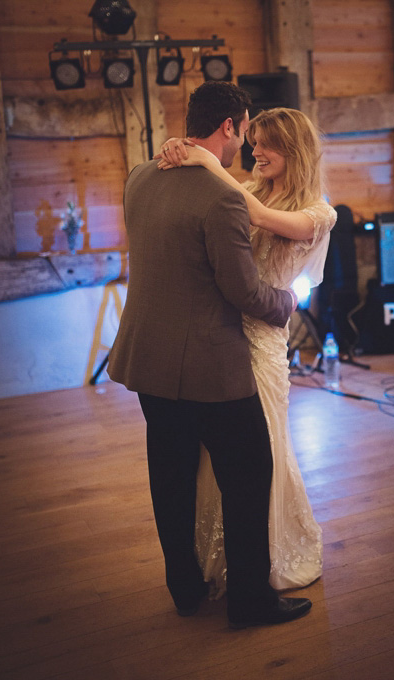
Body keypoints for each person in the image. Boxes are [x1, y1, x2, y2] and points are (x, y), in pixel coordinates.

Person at [107, 81, 313, 628]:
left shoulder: (140, 176)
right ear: (231, 126)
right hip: (208, 363)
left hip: (146, 358)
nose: (245, 142)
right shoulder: (221, 196)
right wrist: (285, 302)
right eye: (245, 131)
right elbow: (243, 291)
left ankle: (185, 589)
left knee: (169, 475)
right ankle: (249, 601)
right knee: (249, 474)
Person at [157, 106, 337, 596]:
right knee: (217, 457)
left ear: (294, 149)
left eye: (266, 143)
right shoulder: (250, 188)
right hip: (219, 334)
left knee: (264, 448)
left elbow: (256, 218)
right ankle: (219, 557)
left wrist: (207, 162)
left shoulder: (319, 212)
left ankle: (269, 559)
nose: (255, 151)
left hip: (262, 341)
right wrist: (183, 151)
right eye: (252, 140)